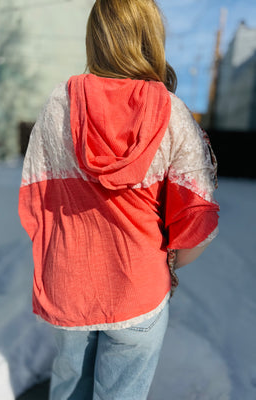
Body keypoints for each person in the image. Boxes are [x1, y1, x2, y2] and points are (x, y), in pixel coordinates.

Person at [18, 0, 220, 399]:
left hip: (69, 286)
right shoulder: (174, 114)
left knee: (68, 387)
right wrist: (169, 264)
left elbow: (33, 198)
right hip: (138, 290)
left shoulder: (60, 103)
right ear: (150, 38)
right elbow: (198, 221)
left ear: (96, 38)